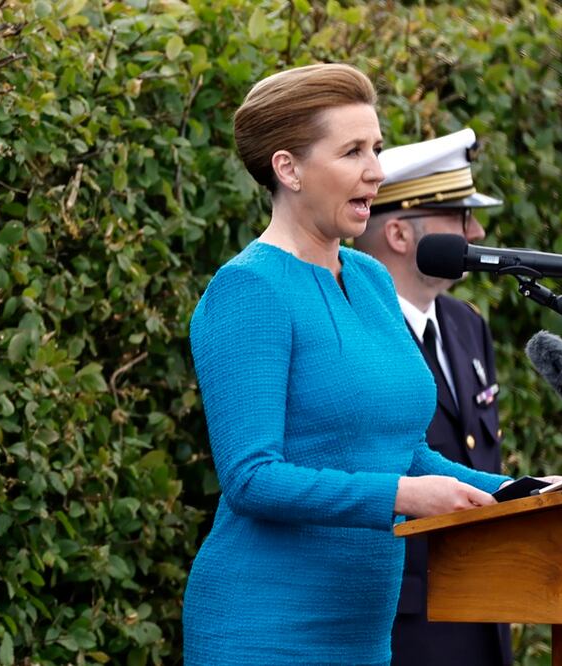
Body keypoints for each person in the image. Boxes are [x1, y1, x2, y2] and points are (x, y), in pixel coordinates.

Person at [183, 64, 514, 666]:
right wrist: (402, 495)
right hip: (265, 627)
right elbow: (251, 477)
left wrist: (523, 491)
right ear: (289, 169)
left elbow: (405, 453)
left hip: (363, 631)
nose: (376, 171)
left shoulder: (370, 279)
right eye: (353, 151)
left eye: (377, 149)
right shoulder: (247, 290)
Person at [354, 129, 513, 666]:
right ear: (400, 234)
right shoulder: (359, 327)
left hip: (484, 604)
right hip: (404, 619)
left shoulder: (466, 324)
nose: (478, 233)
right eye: (461, 218)